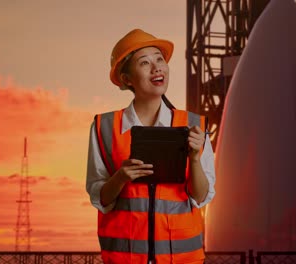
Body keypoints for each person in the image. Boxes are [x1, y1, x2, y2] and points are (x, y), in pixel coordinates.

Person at [86, 29, 216, 264]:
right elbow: (100, 199)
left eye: (160, 59)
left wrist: (195, 159)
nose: (157, 67)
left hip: (183, 260)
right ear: (127, 79)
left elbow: (201, 196)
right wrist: (120, 177)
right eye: (144, 62)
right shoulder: (104, 127)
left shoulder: (194, 126)